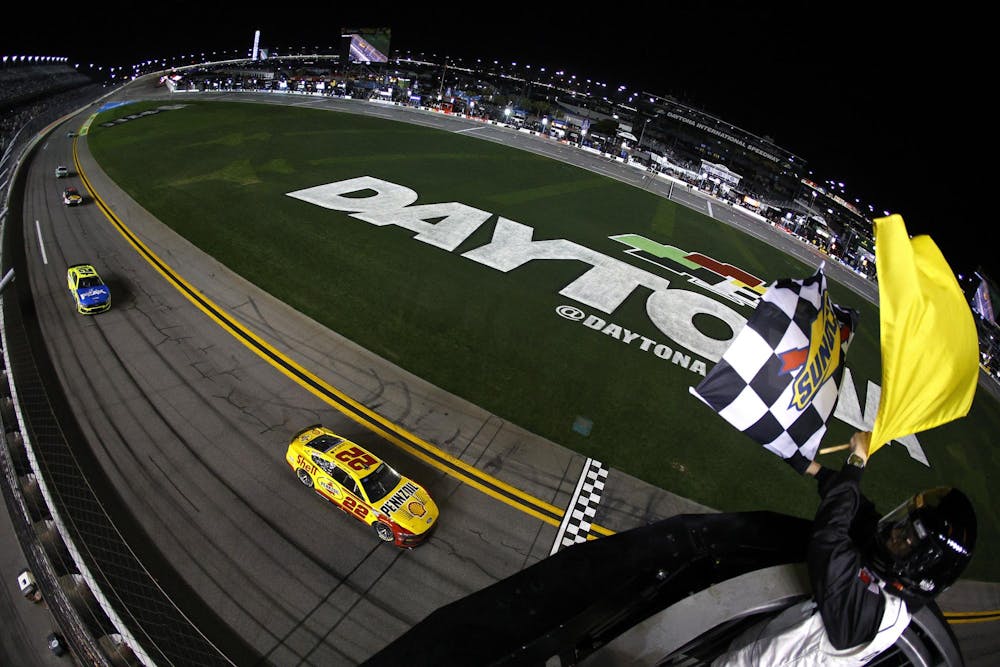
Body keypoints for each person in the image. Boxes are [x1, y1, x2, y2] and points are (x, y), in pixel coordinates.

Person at [712, 431, 977, 666]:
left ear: (922, 568)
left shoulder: (877, 613)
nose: (895, 532)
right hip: (750, 650)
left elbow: (829, 539)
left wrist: (857, 461)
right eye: (905, 525)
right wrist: (814, 469)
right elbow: (863, 514)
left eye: (907, 536)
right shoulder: (889, 576)